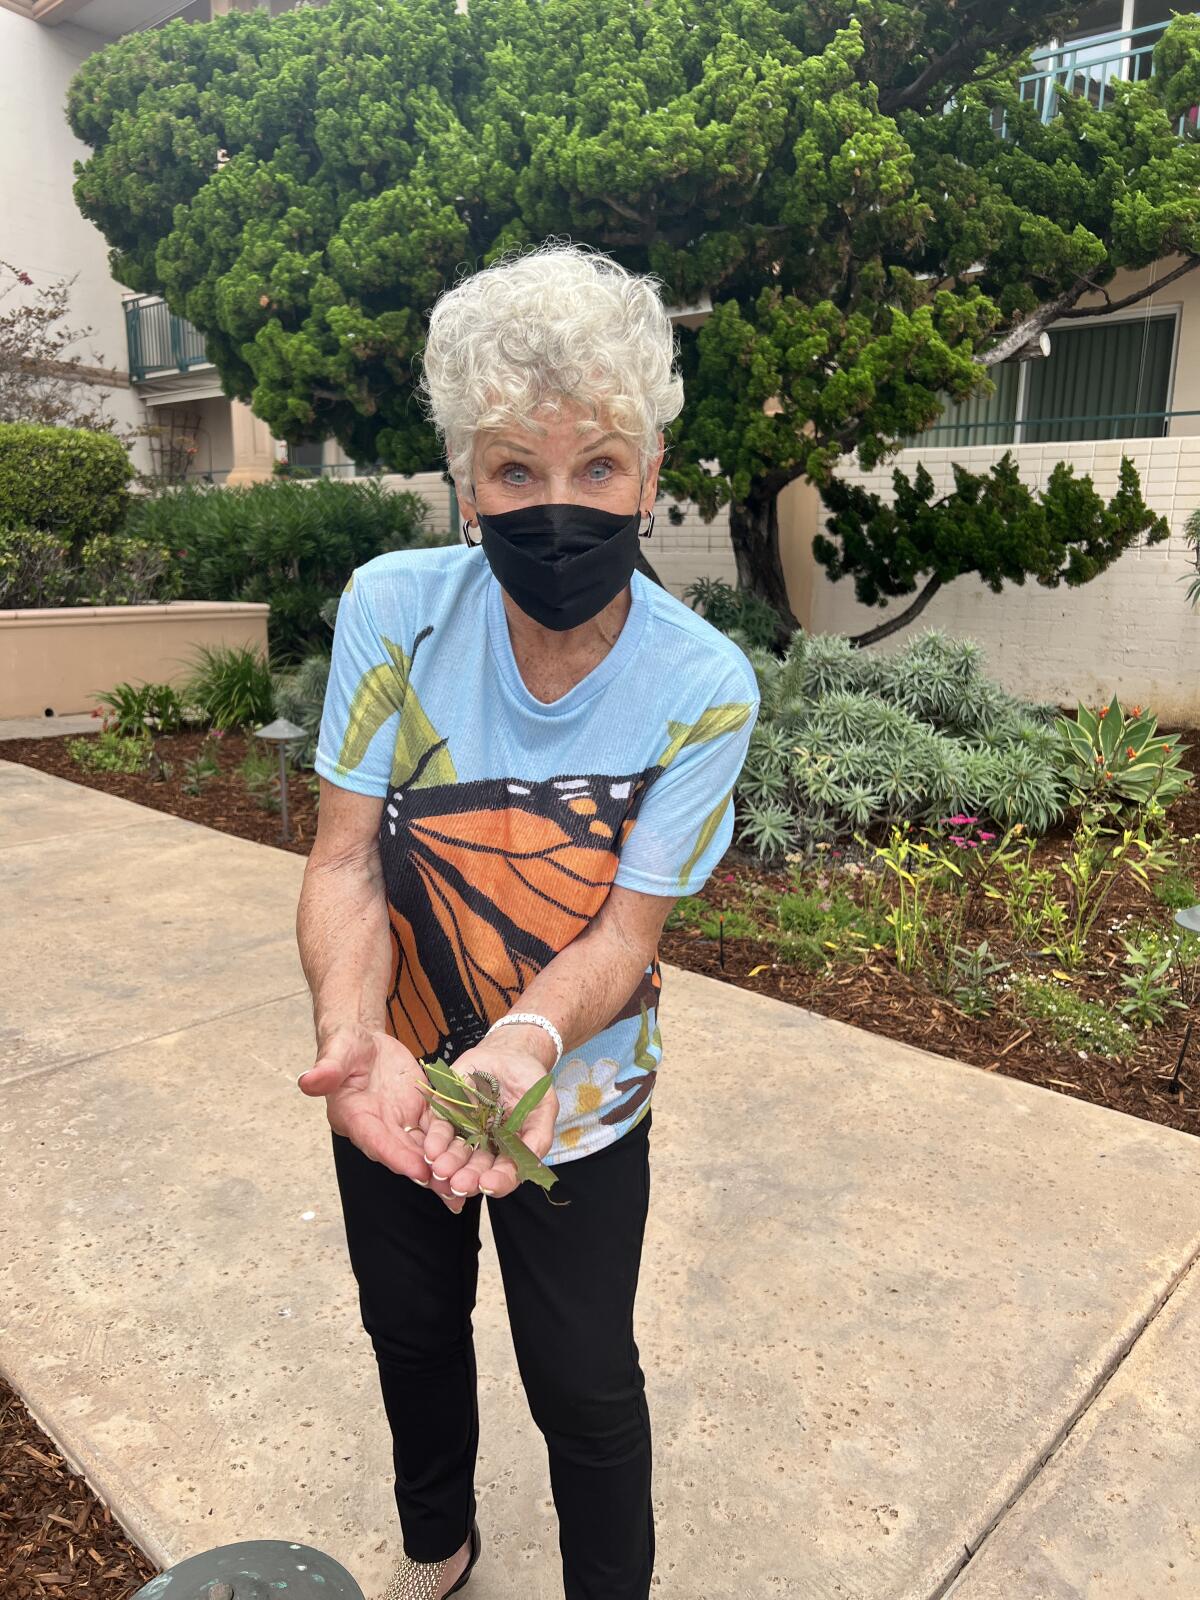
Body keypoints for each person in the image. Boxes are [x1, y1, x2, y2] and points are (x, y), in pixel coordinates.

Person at [295, 241, 760, 1600]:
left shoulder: (703, 687)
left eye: (598, 466)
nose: (557, 504)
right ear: (465, 481)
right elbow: (345, 867)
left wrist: (524, 1046)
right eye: (515, 470)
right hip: (391, 1079)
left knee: (585, 1383)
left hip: (579, 1093)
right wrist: (347, 1037)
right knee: (412, 1332)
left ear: (652, 475)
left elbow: (625, 937)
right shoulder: (391, 615)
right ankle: (439, 1549)